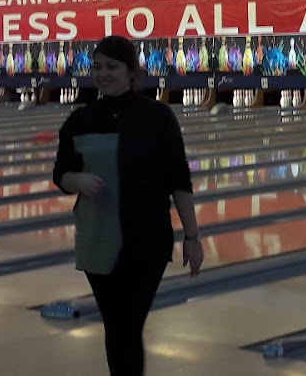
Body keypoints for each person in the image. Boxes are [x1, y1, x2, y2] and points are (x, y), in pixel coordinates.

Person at [53, 36, 202, 376]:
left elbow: (179, 179)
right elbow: (61, 173)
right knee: (118, 328)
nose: (103, 74)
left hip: (146, 241)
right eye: (97, 67)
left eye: (112, 67)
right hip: (98, 239)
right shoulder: (80, 121)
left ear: (132, 73)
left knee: (125, 326)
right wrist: (77, 182)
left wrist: (192, 237)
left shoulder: (158, 117)